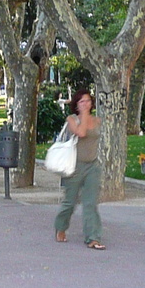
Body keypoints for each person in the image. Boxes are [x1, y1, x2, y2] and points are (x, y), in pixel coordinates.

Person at [54, 89, 104, 250]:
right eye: (82, 101)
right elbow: (81, 133)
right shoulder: (72, 119)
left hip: (92, 166)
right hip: (74, 166)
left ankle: (93, 237)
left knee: (90, 203)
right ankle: (60, 227)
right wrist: (83, 115)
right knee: (70, 202)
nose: (86, 104)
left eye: (88, 101)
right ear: (76, 104)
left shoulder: (97, 120)